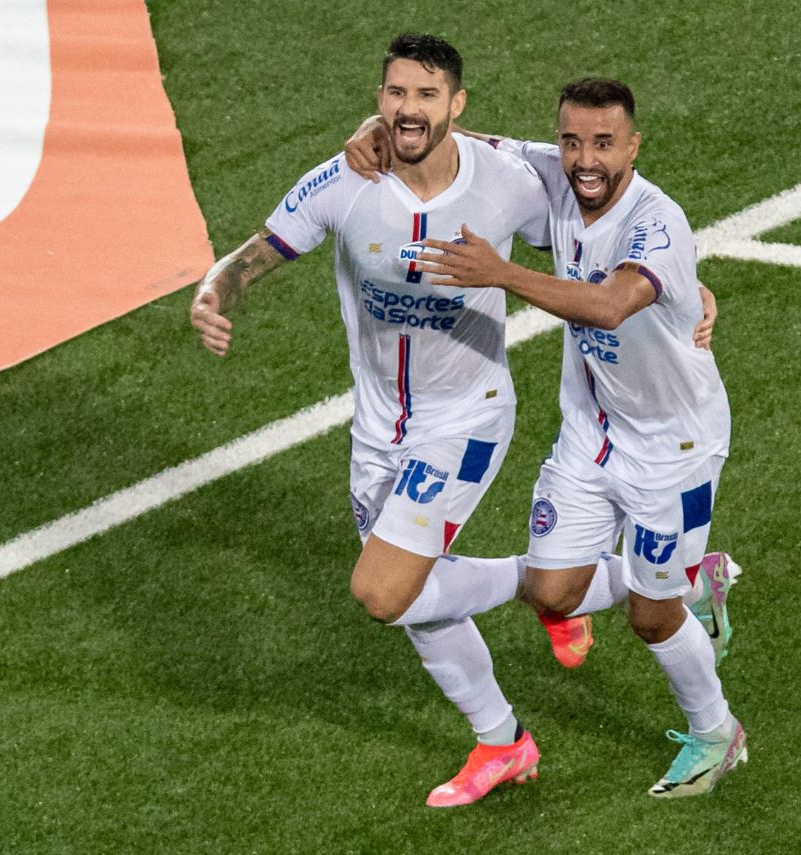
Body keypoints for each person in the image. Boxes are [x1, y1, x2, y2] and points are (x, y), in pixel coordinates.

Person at [189, 33, 590, 808]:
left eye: (427, 95)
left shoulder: (504, 182)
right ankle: (504, 741)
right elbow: (258, 252)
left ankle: (560, 585)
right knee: (415, 600)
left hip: (466, 419)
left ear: (457, 106)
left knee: (383, 588)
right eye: (397, 93)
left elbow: (596, 187)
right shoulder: (346, 180)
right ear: (380, 99)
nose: (408, 109)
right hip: (377, 430)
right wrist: (215, 292)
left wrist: (681, 286)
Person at [345, 78, 745, 798]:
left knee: (654, 621)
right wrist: (376, 129)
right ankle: (694, 576)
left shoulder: (656, 220)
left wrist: (501, 274)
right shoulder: (555, 176)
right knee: (551, 592)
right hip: (591, 435)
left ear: (633, 145)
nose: (584, 159)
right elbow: (457, 142)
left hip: (673, 450)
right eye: (571, 141)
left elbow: (611, 304)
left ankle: (717, 732)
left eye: (602, 143)